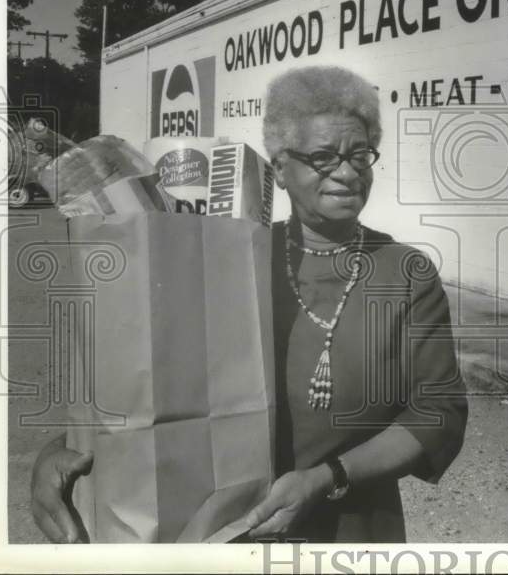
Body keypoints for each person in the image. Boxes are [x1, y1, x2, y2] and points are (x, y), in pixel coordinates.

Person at [30, 65, 468, 543]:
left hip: (347, 532)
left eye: (360, 154)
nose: (347, 172)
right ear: (279, 169)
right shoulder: (228, 256)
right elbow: (142, 384)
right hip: (211, 533)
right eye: (323, 157)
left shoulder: (405, 272)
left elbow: (437, 413)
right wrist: (61, 453)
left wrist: (328, 478)